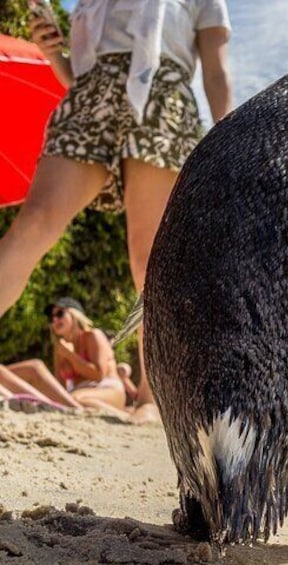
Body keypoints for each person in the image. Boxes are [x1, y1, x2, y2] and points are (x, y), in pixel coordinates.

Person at [0, 0, 233, 424]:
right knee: (31, 228)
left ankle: (150, 394)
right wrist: (55, 54)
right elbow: (81, 72)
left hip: (162, 97)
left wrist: (231, 142)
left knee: (149, 260)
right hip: (90, 95)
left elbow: (215, 73)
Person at [0, 297, 129, 419]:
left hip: (107, 388)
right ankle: (116, 414)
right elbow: (60, 386)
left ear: (74, 315)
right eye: (51, 318)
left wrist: (69, 355)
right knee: (72, 397)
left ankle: (121, 415)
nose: (55, 320)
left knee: (76, 398)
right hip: (80, 393)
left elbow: (98, 375)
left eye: (60, 314)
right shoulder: (60, 348)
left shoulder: (93, 335)